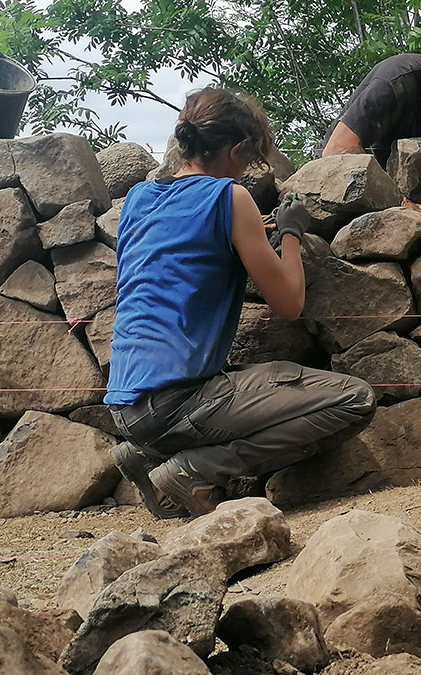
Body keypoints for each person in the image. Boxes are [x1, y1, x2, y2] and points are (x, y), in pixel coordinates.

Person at [107, 86, 376, 519]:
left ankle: (145, 456)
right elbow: (289, 303)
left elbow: (182, 254)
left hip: (126, 405)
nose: (249, 172)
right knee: (354, 399)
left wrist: (250, 232)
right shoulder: (229, 198)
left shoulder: (139, 199)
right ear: (236, 151)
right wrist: (290, 231)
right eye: (250, 161)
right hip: (179, 402)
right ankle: (196, 469)